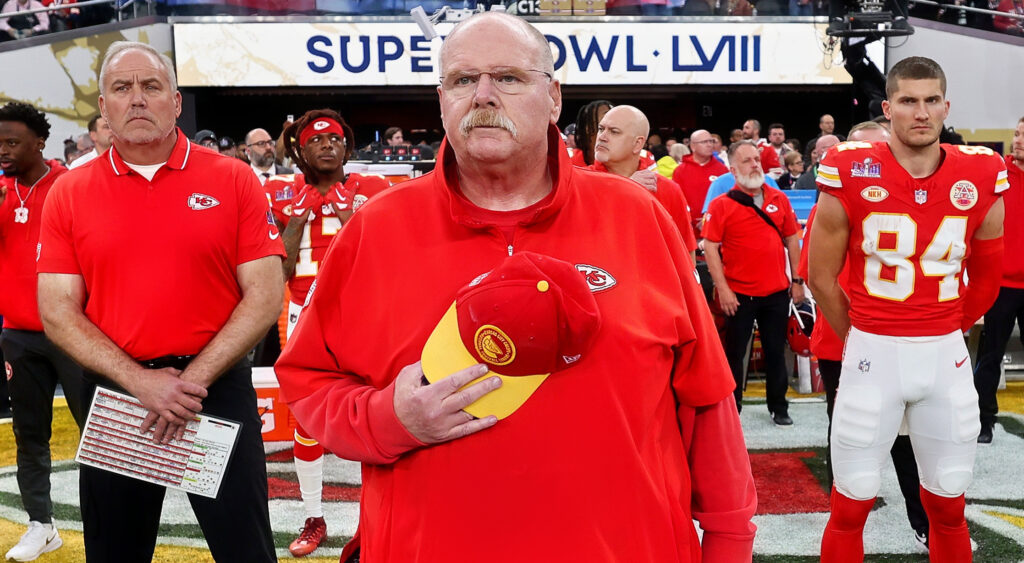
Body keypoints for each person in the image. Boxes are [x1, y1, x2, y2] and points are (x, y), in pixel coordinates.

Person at [275, 12, 756, 563]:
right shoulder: (376, 228)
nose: (482, 95)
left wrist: (729, 542)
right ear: (441, 101)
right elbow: (306, 378)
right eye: (462, 80)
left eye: (508, 77)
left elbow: (706, 400)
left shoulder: (638, 218)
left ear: (553, 97)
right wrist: (389, 420)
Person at [35, 41, 283, 563]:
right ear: (103, 106)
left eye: (151, 86)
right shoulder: (70, 191)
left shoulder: (232, 179)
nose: (137, 99)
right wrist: (142, 382)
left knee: (246, 551)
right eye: (122, 88)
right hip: (119, 397)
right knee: (116, 552)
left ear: (176, 100)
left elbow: (264, 295)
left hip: (214, 392)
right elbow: (57, 311)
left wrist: (188, 382)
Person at [810, 56, 1007, 562]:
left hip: (944, 356)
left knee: (948, 501)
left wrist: (942, 329)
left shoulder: (982, 171)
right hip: (873, 352)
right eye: (907, 100)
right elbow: (821, 277)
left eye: (930, 100)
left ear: (946, 106)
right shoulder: (851, 168)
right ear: (888, 107)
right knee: (850, 503)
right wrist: (864, 333)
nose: (921, 112)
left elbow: (988, 279)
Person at [799, 120, 930, 551]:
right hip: (846, 339)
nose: (870, 162)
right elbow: (815, 276)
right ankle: (845, 531)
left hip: (906, 338)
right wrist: (857, 332)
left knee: (911, 438)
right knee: (850, 440)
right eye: (860, 152)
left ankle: (923, 522)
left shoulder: (918, 197)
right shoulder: (831, 202)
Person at [265, 108, 389, 557]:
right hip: (304, 315)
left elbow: (384, 256)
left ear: (347, 147)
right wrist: (297, 220)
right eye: (316, 140)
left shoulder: (371, 190)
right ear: (300, 148)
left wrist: (350, 216)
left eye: (335, 138)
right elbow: (277, 271)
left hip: (362, 315)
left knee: (374, 414)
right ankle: (314, 516)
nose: (327, 145)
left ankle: (371, 523)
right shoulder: (282, 195)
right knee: (307, 421)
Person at [0, 101, 85, 562]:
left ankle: (112, 517)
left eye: (12, 142)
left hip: (73, 331)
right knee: (29, 435)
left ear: (39, 143)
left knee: (96, 432)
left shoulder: (71, 185)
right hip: (17, 333)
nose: (3, 150)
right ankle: (41, 525)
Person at [703, 140, 805, 425]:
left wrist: (797, 280)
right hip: (738, 293)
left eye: (757, 159)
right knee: (734, 353)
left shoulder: (778, 198)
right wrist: (722, 289)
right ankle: (732, 407)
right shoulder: (721, 205)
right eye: (747, 161)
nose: (755, 164)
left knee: (775, 350)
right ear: (733, 170)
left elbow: (792, 240)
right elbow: (710, 247)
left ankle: (779, 407)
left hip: (775, 291)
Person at [972, 115, 1024, 444]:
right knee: (990, 355)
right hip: (1002, 284)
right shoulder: (997, 174)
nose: (1018, 140)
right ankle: (983, 420)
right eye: (1017, 133)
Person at [591, 105, 697, 263]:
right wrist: (627, 190)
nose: (602, 137)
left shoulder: (667, 189)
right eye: (601, 129)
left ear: (638, 144)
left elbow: (687, 258)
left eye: (614, 132)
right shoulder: (578, 181)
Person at [673, 129, 729, 232]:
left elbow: (727, 199)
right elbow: (677, 201)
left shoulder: (722, 169)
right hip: (689, 230)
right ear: (693, 146)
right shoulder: (680, 171)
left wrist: (708, 220)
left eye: (711, 141)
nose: (709, 145)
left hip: (716, 229)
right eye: (704, 142)